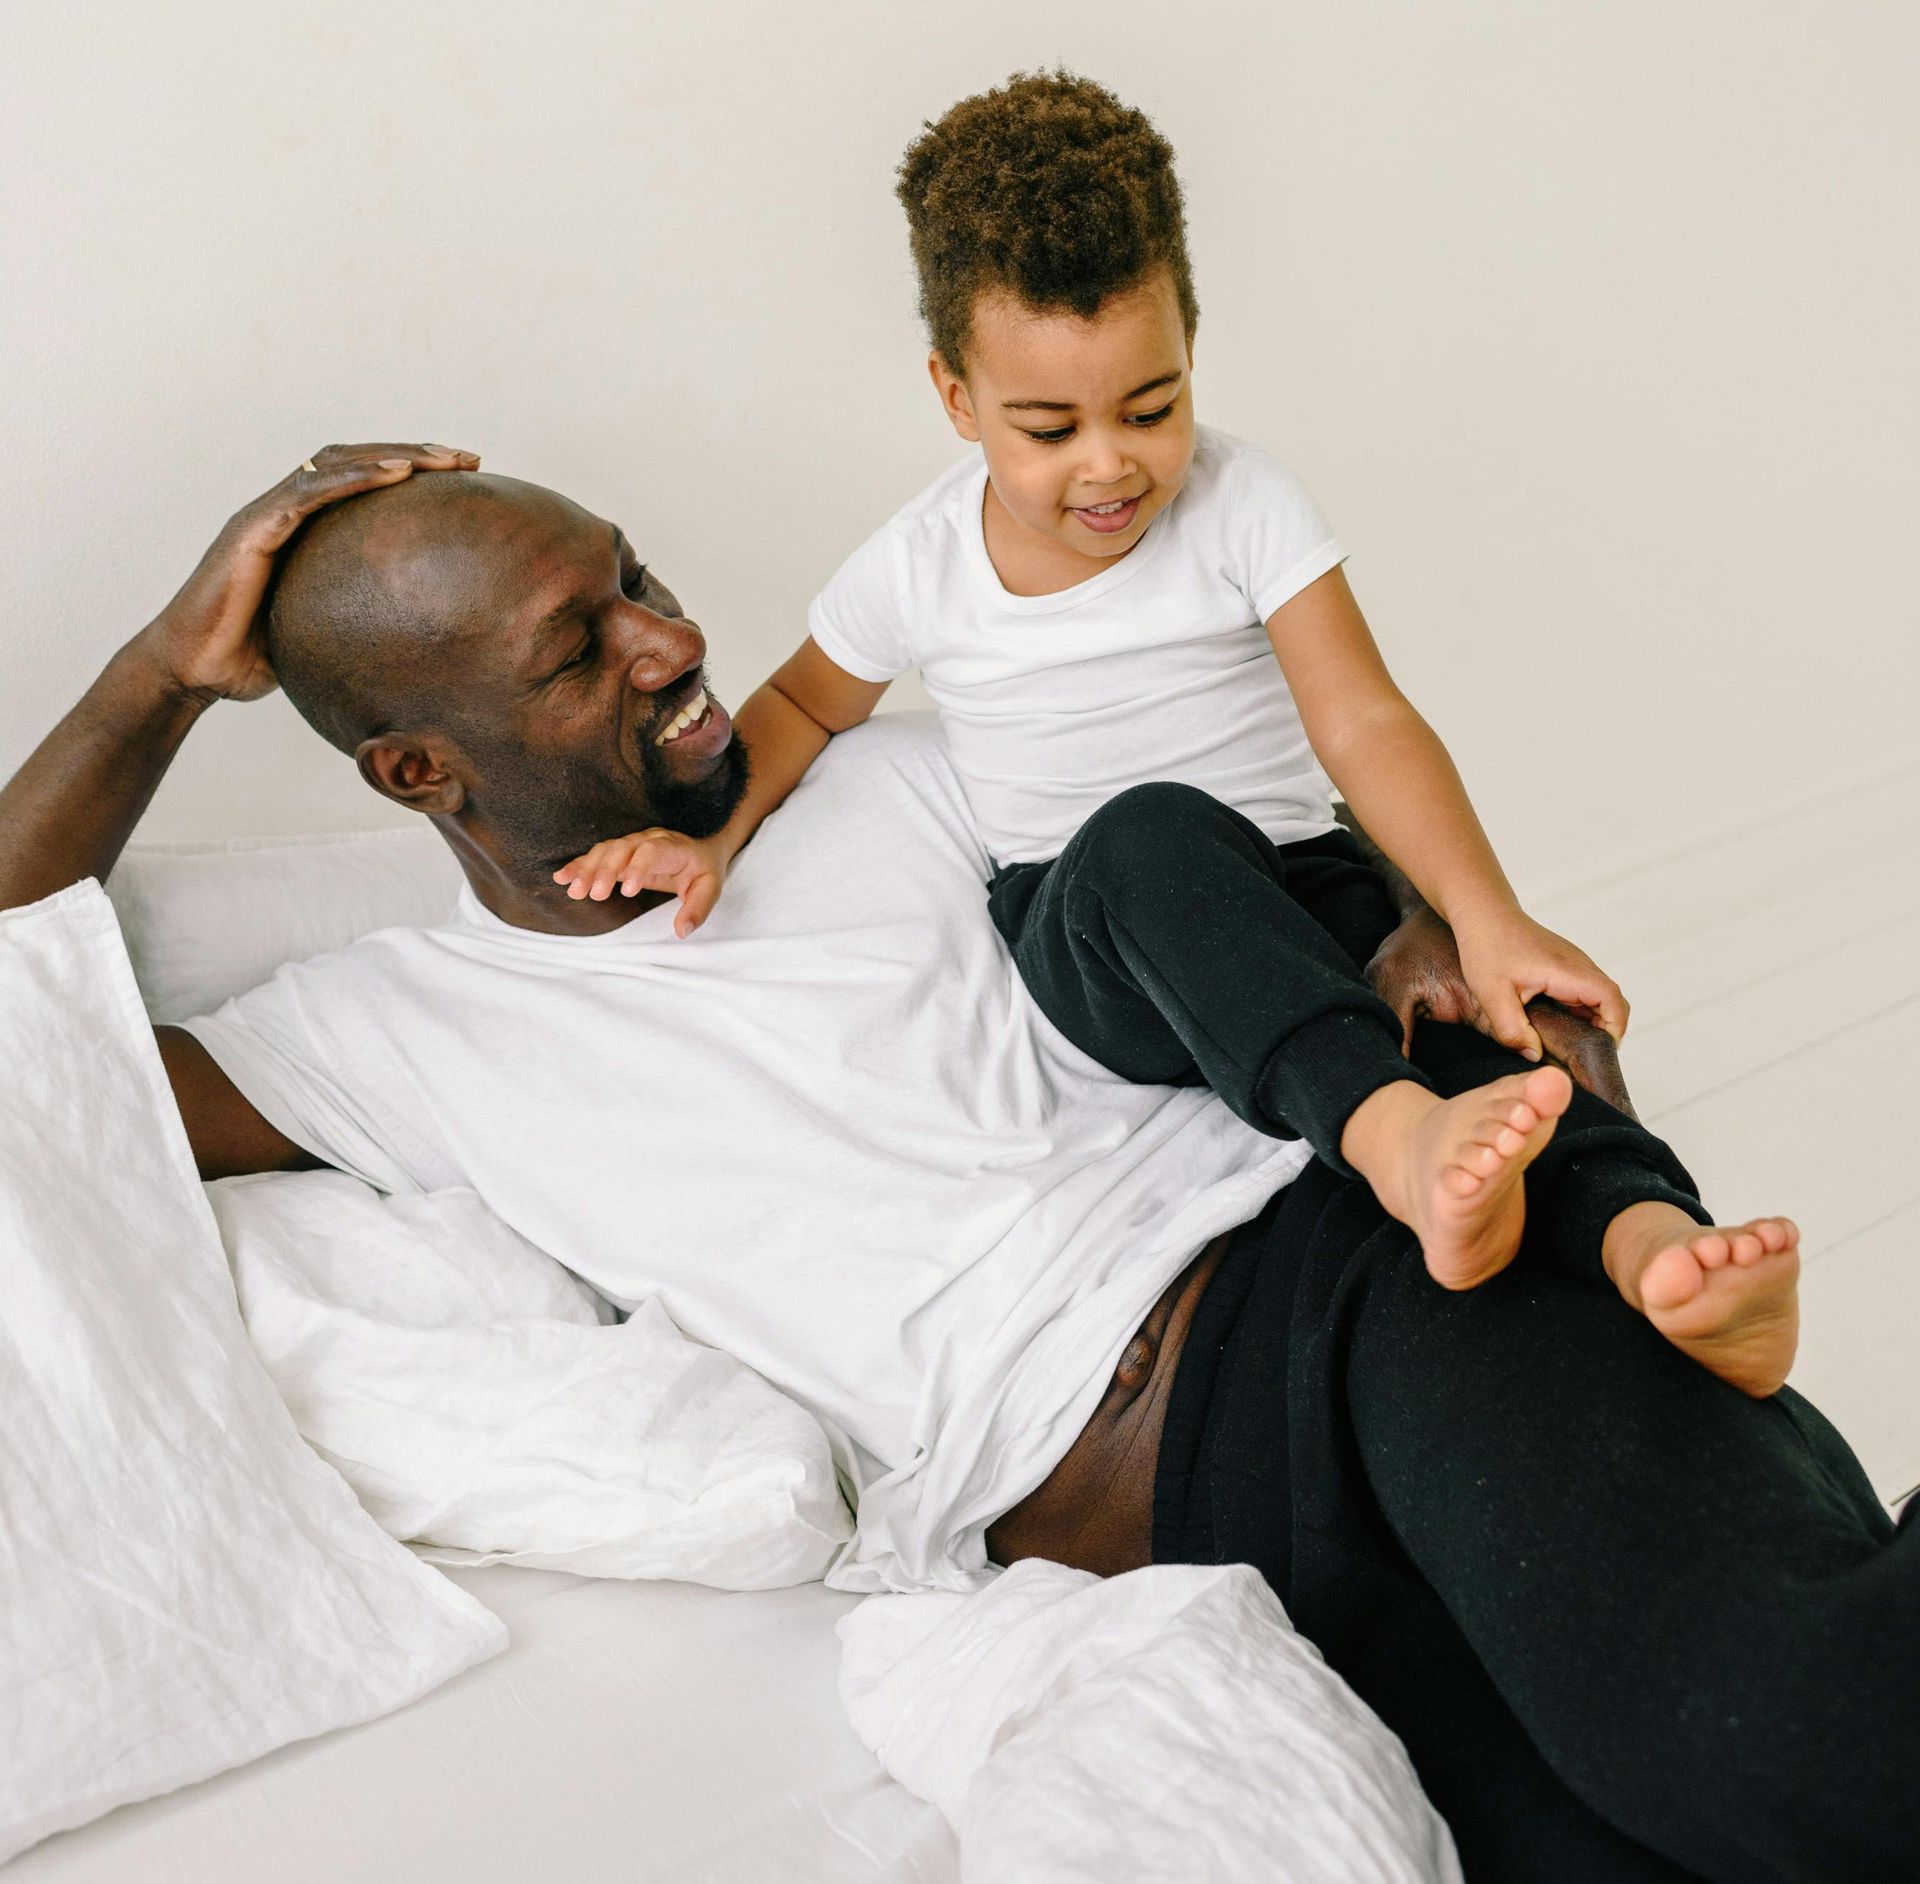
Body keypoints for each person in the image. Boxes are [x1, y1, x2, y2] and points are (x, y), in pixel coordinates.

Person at [1, 444, 1911, 1884]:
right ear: (423, 771)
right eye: (577, 653)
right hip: (1167, 1559)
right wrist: (155, 676)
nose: (675, 643)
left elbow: (1254, 863)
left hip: (1370, 1296)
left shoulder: (910, 779)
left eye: (637, 579)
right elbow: (10, 1032)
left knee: (1808, 1763)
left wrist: (1424, 938)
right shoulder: (377, 1038)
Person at [554, 75, 1799, 1379]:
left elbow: (1363, 721)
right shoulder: (919, 564)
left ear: (1192, 345)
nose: (1109, 464)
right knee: (1151, 836)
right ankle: (1391, 1141)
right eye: (1049, 428)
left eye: (1151, 408)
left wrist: (1483, 915)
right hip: (1099, 928)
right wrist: (715, 837)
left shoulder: (1247, 504)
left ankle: (1655, 1251)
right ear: (956, 395)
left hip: (1290, 886)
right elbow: (808, 700)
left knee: (1487, 1019)